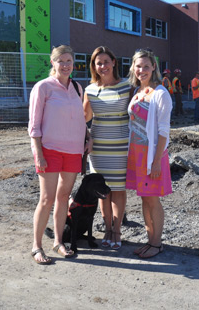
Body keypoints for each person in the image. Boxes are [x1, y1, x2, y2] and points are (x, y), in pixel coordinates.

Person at [28, 45, 92, 264]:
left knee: (63, 197)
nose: (65, 65)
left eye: (69, 61)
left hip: (73, 151)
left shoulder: (77, 87)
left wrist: (88, 136)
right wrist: (38, 153)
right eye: (61, 61)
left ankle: (58, 242)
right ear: (52, 62)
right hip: (50, 150)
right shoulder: (43, 87)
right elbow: (34, 125)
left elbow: (80, 118)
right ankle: (37, 246)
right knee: (46, 199)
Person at [126, 49, 173, 259]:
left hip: (152, 155)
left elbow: (164, 131)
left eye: (146, 66)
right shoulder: (138, 92)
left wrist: (155, 162)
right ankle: (150, 240)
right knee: (144, 199)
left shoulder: (160, 93)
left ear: (154, 67)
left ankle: (157, 243)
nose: (142, 70)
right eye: (138, 66)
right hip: (137, 153)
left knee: (153, 201)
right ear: (133, 68)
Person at [83, 46, 131, 250]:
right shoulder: (90, 89)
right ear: (94, 66)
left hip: (121, 145)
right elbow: (82, 118)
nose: (102, 66)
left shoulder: (127, 86)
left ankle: (117, 230)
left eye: (105, 62)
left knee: (118, 189)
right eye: (98, 63)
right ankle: (106, 228)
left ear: (114, 63)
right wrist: (87, 137)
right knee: (102, 190)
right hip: (99, 145)